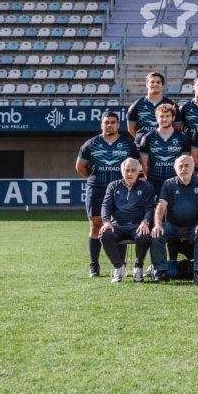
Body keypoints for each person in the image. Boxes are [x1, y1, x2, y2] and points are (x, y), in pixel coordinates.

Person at [76, 111, 140, 277]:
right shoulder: (90, 144)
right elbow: (80, 167)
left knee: (121, 224)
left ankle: (120, 265)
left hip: (121, 189)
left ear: (118, 125)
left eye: (113, 122)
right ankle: (94, 265)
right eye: (106, 122)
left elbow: (135, 166)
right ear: (101, 125)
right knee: (96, 226)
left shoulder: (128, 144)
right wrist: (95, 178)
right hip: (97, 188)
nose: (109, 125)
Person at [150, 155, 198, 283]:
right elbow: (161, 206)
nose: (183, 168)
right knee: (156, 234)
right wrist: (157, 225)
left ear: (193, 167)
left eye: (187, 165)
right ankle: (160, 271)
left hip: (193, 226)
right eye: (180, 166)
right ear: (175, 169)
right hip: (172, 226)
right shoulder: (168, 184)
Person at [98, 158, 155, 283]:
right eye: (127, 170)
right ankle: (119, 267)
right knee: (104, 234)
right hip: (117, 225)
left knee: (144, 236)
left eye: (133, 170)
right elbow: (106, 206)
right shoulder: (113, 186)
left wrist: (145, 222)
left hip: (137, 225)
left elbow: (150, 208)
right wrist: (106, 221)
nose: (129, 173)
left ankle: (138, 267)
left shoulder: (147, 187)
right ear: (122, 171)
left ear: (138, 171)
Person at [138, 103, 188, 197]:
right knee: (155, 208)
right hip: (154, 180)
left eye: (167, 116)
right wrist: (148, 178)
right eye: (161, 116)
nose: (164, 119)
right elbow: (144, 164)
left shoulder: (182, 138)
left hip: (175, 180)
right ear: (156, 118)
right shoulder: (147, 138)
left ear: (173, 118)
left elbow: (186, 162)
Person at [127, 72, 176, 140]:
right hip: (142, 147)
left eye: (158, 82)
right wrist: (143, 139)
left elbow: (178, 127)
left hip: (165, 145)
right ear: (147, 84)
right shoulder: (136, 105)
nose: (155, 84)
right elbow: (131, 129)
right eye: (152, 82)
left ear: (162, 85)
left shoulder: (171, 104)